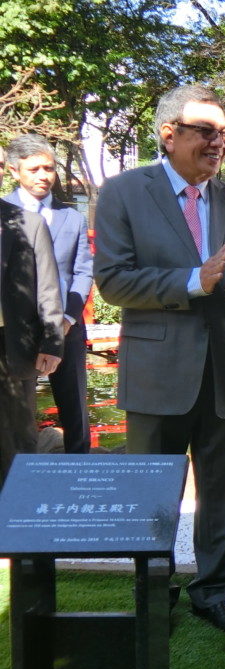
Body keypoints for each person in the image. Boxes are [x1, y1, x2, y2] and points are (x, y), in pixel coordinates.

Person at [94, 84, 225, 636]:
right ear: (169, 134)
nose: (219, 142)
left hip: (222, 368)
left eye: (224, 133)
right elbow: (113, 281)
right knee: (153, 493)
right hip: (156, 373)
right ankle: (152, 594)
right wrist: (197, 279)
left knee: (222, 493)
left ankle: (213, 592)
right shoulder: (123, 193)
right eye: (206, 131)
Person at [4, 134, 93, 454]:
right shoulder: (5, 216)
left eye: (49, 168)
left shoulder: (72, 217)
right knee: (16, 417)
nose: (43, 175)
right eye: (34, 169)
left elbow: (83, 271)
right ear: (14, 171)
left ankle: (78, 482)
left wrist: (67, 318)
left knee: (75, 414)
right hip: (16, 333)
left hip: (67, 330)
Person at [0, 145, 63, 482]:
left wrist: (53, 342)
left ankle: (15, 515)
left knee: (17, 437)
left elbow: (48, 289)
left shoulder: (28, 222)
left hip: (11, 343)